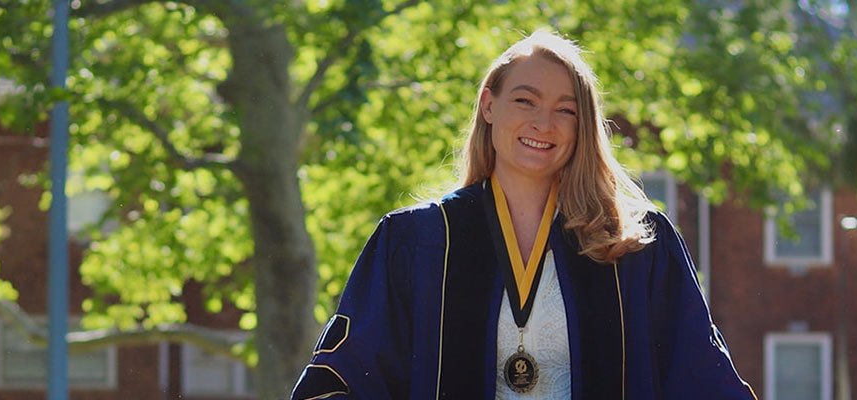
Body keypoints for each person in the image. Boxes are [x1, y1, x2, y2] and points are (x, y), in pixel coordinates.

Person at [291, 30, 756, 399]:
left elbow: (701, 376)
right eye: (525, 101)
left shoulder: (636, 249)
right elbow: (347, 377)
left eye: (565, 110)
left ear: (583, 127)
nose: (543, 123)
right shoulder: (418, 242)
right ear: (489, 105)